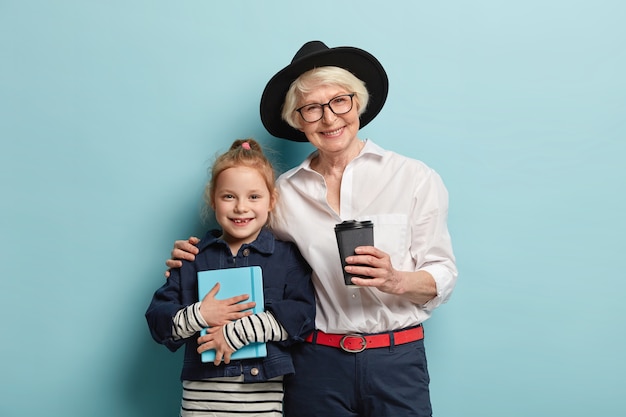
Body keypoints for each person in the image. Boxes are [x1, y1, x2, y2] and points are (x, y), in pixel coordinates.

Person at [167, 41, 458, 417]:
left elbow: (443, 273)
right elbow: (242, 246)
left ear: (358, 103)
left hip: (397, 360)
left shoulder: (414, 177)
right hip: (315, 363)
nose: (329, 118)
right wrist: (191, 259)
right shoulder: (281, 194)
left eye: (340, 100)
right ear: (297, 119)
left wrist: (396, 279)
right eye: (312, 109)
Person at [146, 139, 316, 417]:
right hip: (202, 402)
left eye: (253, 196)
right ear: (213, 199)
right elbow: (158, 321)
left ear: (271, 199)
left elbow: (302, 315)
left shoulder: (287, 257)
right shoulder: (191, 257)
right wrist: (201, 313)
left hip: (261, 400)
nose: (240, 207)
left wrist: (236, 333)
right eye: (229, 196)